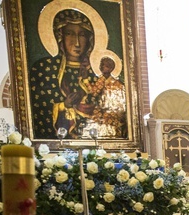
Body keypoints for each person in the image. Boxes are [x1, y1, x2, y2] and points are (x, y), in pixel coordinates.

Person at [29, 9, 97, 139]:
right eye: (69, 34)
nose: (76, 43)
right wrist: (63, 105)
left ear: (89, 39)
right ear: (60, 37)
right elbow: (39, 108)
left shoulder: (94, 74)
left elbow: (104, 109)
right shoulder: (44, 69)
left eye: (82, 35)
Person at [83, 56, 127, 138]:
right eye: (101, 64)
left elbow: (120, 103)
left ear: (110, 68)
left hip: (112, 112)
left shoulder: (117, 84)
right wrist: (85, 79)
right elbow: (94, 92)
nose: (102, 66)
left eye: (105, 65)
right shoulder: (101, 80)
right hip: (100, 110)